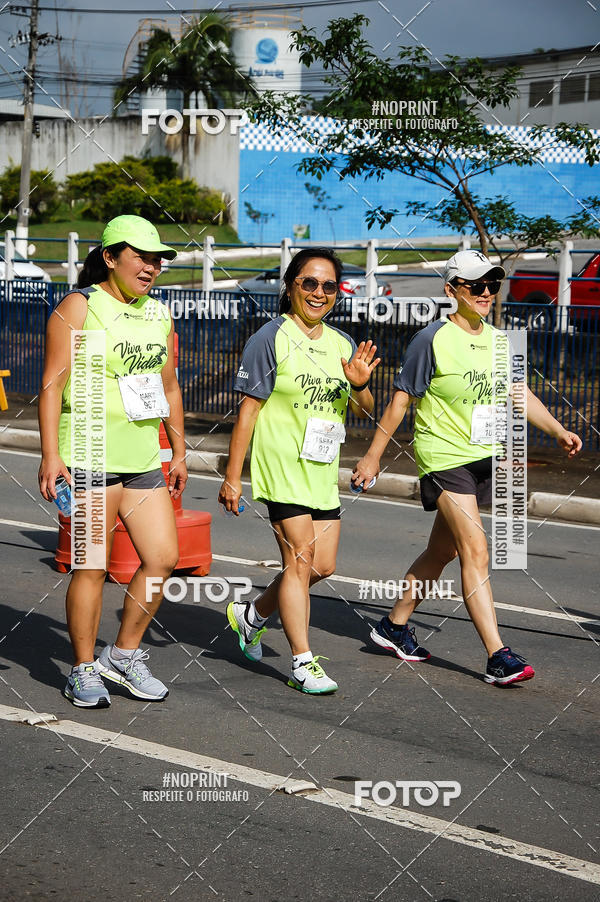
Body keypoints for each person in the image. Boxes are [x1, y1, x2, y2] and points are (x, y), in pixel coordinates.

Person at [352, 249, 582, 686]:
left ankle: (393, 626)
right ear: (451, 289)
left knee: (444, 551)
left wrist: (556, 429)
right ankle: (498, 656)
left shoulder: (500, 340)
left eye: (491, 285)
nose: (485, 293)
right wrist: (373, 455)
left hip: (484, 459)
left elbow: (519, 392)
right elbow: (401, 400)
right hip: (443, 459)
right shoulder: (431, 339)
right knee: (476, 551)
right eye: (475, 285)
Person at [38, 215, 187, 708]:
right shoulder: (81, 306)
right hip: (89, 454)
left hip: (143, 459)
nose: (152, 267)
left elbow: (168, 386)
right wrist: (50, 455)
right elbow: (52, 384)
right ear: (109, 257)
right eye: (142, 257)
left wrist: (179, 449)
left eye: (158, 260)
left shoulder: (158, 315)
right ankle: (82, 669)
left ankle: (122, 656)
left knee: (163, 558)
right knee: (92, 567)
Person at [218, 248, 380, 694]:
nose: (319, 293)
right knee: (300, 558)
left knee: (320, 566)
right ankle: (302, 663)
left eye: (329, 286)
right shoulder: (270, 338)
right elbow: (247, 412)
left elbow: (365, 412)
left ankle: (251, 616)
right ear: (290, 286)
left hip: (321, 468)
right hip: (281, 465)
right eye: (309, 283)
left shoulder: (342, 344)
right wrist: (234, 476)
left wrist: (360, 383)